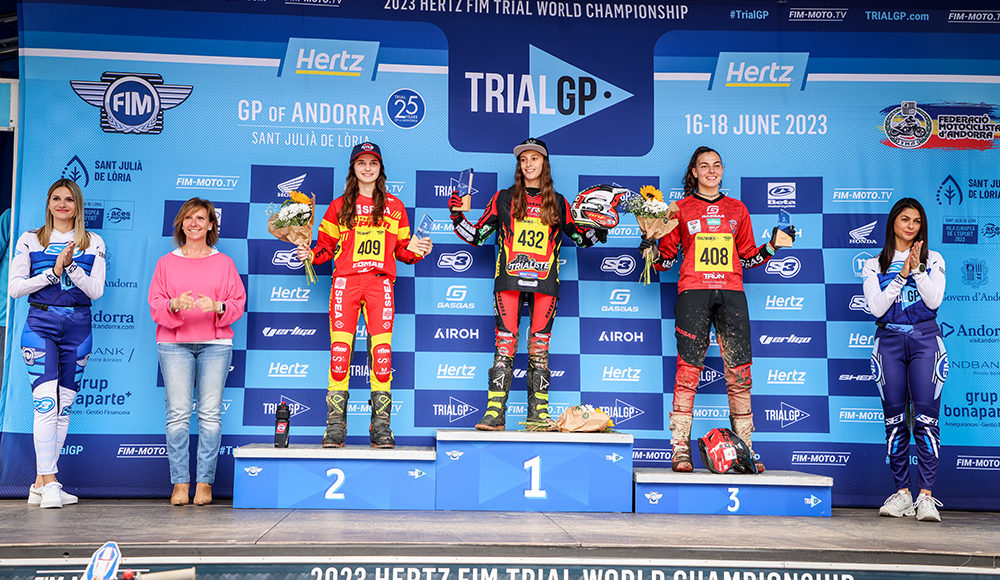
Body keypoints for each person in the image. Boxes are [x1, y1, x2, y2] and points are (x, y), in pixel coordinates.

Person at [639, 146, 792, 473]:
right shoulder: (679, 209)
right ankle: (680, 450)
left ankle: (745, 449)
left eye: (717, 165)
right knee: (687, 372)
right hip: (693, 293)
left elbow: (748, 257)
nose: (711, 171)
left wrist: (773, 246)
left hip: (731, 294)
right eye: (704, 166)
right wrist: (651, 249)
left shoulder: (738, 209)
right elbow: (667, 261)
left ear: (722, 171)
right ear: (694, 172)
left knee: (740, 373)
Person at [449, 138, 606, 431]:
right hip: (508, 281)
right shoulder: (503, 198)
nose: (528, 164)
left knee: (540, 348)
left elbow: (581, 239)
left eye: (534, 158)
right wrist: (457, 217)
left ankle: (538, 416)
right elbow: (477, 236)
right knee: (504, 344)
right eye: (523, 160)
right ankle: (495, 414)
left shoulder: (558, 202)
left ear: (544, 163)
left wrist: (601, 228)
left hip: (545, 284)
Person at [297, 142, 431, 449]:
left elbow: (403, 251)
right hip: (345, 284)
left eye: (373, 163)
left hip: (379, 285)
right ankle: (335, 427)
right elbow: (325, 248)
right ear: (353, 168)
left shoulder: (395, 207)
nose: (367, 168)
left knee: (381, 355)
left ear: (380, 168)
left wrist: (419, 250)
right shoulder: (338, 206)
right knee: (340, 353)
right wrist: (310, 254)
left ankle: (381, 427)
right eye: (361, 163)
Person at [9, 178, 105, 508]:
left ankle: (41, 483)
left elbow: (96, 291)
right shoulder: (30, 238)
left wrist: (72, 266)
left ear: (78, 206)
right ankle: (50, 482)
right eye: (56, 198)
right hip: (41, 324)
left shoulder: (93, 241)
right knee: (46, 403)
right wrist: (52, 273)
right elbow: (15, 288)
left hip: (79, 328)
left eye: (69, 199)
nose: (62, 204)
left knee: (64, 406)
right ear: (48, 203)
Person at [148, 198, 246, 506]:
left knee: (210, 416)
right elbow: (155, 303)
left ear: (211, 225)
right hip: (173, 344)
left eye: (201, 218)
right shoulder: (165, 263)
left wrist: (218, 306)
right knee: (178, 415)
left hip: (215, 345)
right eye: (188, 218)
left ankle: (204, 483)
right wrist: (174, 304)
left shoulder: (224, 263)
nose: (194, 223)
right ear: (181, 223)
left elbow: (237, 302)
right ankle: (180, 483)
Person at [862, 198, 946, 522]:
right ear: (893, 223)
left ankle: (926, 496)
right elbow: (876, 308)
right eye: (905, 219)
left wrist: (918, 269)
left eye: (917, 221)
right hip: (889, 343)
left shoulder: (933, 258)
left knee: (926, 421)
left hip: (926, 341)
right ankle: (902, 494)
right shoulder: (874, 263)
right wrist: (901, 274)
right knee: (895, 423)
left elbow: (934, 300)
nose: (911, 226)